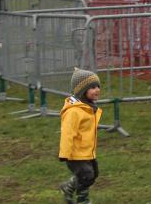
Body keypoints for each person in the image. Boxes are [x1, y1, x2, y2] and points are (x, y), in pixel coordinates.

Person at [59, 68, 103, 204]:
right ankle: (83, 201)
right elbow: (67, 133)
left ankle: (68, 187)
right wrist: (64, 153)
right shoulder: (74, 112)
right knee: (87, 176)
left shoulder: (88, 107)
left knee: (92, 174)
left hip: (87, 151)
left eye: (98, 86)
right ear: (82, 91)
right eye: (92, 87)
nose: (97, 90)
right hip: (75, 153)